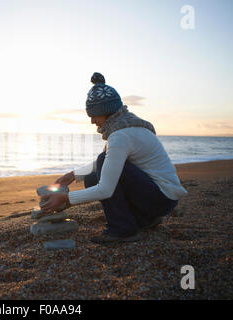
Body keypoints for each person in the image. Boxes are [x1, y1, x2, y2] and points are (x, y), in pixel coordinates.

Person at [40, 72, 188, 244]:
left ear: (105, 111)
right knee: (91, 177)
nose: (92, 121)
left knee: (103, 166)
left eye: (94, 115)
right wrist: (72, 176)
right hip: (160, 197)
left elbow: (106, 189)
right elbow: (112, 161)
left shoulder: (120, 136)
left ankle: (122, 230)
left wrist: (66, 199)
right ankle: (145, 219)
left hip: (160, 199)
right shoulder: (128, 125)